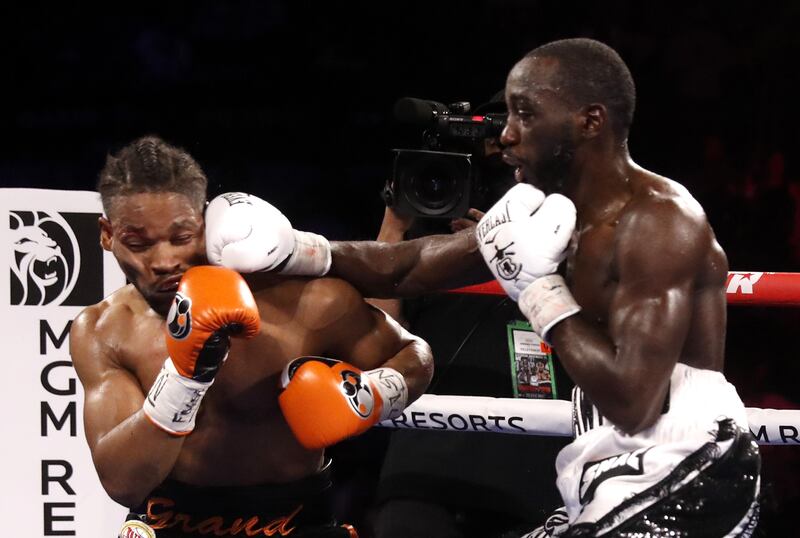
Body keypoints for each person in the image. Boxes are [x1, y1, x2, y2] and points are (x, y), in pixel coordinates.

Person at [207, 38, 761, 536]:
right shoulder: (546, 211)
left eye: (526, 113)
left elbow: (634, 399)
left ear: (590, 121)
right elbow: (411, 264)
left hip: (686, 469)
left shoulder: (658, 224)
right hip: (604, 460)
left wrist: (539, 290)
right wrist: (301, 250)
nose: (507, 134)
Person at [69, 135, 433, 538]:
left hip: (298, 522)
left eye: (181, 237)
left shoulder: (301, 301)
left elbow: (412, 355)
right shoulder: (105, 329)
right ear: (107, 234)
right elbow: (123, 483)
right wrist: (186, 379)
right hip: (169, 523)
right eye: (139, 243)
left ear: (206, 224)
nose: (164, 260)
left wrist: (373, 394)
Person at [369, 93, 570, 538]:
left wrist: (520, 257)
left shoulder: (580, 216)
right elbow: (376, 348)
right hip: (425, 468)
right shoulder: (435, 219)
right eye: (502, 133)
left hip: (534, 470)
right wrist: (396, 222)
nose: (510, 144)